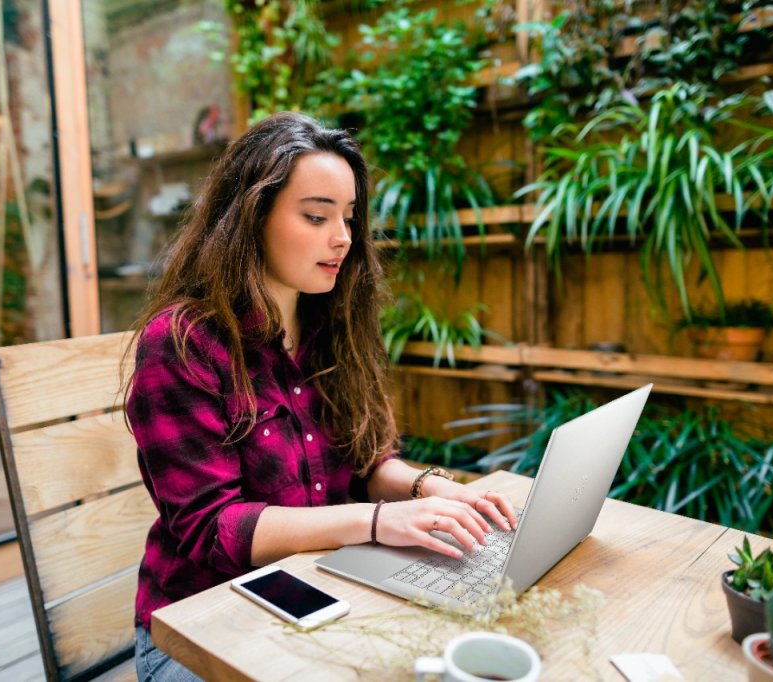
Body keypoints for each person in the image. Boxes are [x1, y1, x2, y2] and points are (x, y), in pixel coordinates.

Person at [124, 112, 518, 682]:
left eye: (349, 217)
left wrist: (426, 487)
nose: (342, 237)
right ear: (251, 217)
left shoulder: (330, 322)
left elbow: (365, 464)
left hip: (321, 588)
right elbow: (215, 529)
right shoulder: (183, 344)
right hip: (201, 627)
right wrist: (381, 521)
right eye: (316, 216)